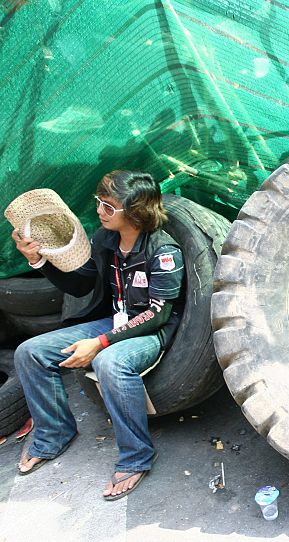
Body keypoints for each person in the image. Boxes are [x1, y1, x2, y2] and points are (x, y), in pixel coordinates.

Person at [11, 170, 184, 500]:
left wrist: (102, 342)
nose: (99, 211)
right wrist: (38, 260)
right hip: (114, 322)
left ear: (136, 212)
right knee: (30, 352)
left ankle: (136, 458)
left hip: (151, 330)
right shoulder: (107, 240)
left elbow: (157, 313)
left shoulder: (164, 252)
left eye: (108, 206)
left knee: (109, 363)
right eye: (99, 202)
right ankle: (53, 434)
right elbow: (80, 284)